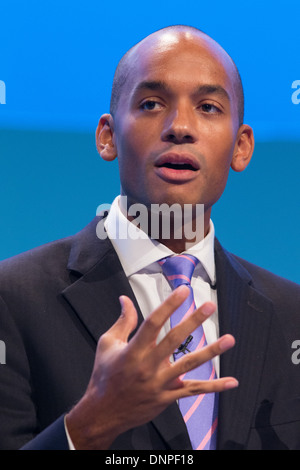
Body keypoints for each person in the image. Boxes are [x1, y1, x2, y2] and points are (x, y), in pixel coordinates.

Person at [0, 24, 300, 451]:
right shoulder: (12, 298)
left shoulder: (293, 317)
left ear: (241, 147)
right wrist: (87, 427)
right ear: (108, 136)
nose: (180, 127)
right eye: (152, 103)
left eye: (209, 107)